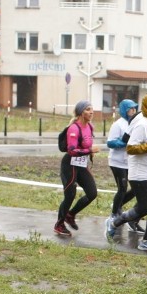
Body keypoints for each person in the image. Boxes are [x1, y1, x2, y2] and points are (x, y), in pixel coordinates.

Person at [104, 93, 147, 253]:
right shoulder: (141, 124)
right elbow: (130, 148)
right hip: (140, 173)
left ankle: (146, 240)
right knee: (144, 208)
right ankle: (115, 222)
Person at [54, 100, 100, 237]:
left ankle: (70, 214)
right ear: (80, 112)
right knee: (70, 195)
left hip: (81, 165)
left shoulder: (90, 127)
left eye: (92, 109)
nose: (91, 112)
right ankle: (59, 224)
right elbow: (72, 150)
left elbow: (86, 144)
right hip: (70, 165)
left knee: (92, 193)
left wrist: (89, 152)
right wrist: (89, 150)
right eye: (88, 109)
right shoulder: (74, 128)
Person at [106, 99, 145, 235]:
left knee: (135, 189)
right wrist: (123, 143)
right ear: (124, 110)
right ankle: (114, 214)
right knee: (122, 188)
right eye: (130, 109)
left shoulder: (136, 123)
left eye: (134, 108)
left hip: (130, 162)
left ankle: (118, 206)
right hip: (117, 162)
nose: (133, 111)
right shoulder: (118, 124)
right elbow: (110, 143)